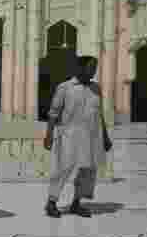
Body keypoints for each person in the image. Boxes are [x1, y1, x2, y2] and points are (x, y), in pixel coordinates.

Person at [43, 55, 113, 218]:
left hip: (92, 136)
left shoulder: (96, 88)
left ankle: (76, 203)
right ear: (81, 68)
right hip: (69, 135)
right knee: (63, 168)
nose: (93, 71)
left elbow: (99, 114)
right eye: (90, 68)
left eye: (95, 68)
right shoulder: (65, 87)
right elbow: (53, 113)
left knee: (88, 170)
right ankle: (51, 202)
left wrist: (105, 136)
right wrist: (48, 135)